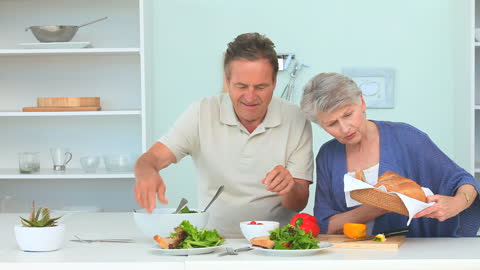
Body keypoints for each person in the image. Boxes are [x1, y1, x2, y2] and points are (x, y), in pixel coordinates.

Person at [134, 33, 313, 238]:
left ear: (274, 82)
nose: (250, 96)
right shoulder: (202, 112)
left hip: (276, 243)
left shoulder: (296, 118)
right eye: (241, 86)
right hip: (212, 241)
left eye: (261, 87)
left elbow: (299, 202)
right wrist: (146, 173)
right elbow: (152, 158)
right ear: (227, 82)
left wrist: (288, 187)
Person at [300, 72, 480, 237]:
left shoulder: (407, 138)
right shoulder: (328, 155)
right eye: (332, 124)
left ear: (362, 102)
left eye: (348, 114)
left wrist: (457, 203)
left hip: (414, 252)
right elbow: (325, 225)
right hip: (353, 256)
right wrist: (377, 207)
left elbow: (464, 182)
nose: (344, 128)